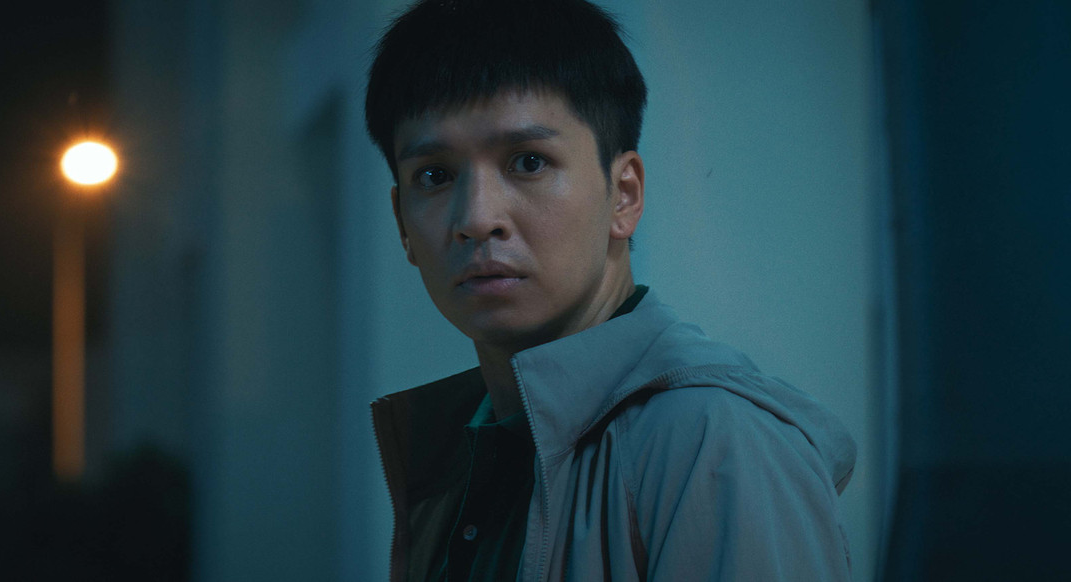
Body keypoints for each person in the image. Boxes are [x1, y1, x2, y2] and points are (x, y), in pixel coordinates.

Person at [365, 0, 856, 579]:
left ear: (623, 195)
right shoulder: (469, 442)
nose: (476, 217)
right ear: (402, 223)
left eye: (528, 162)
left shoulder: (714, 439)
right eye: (434, 176)